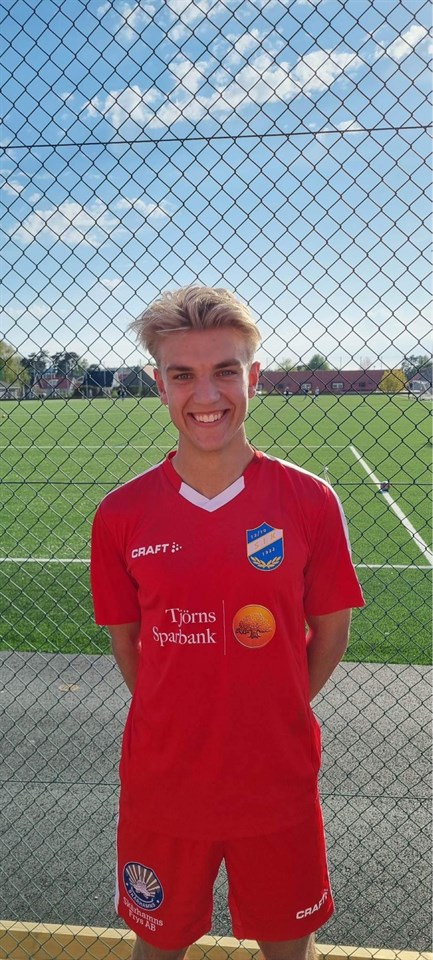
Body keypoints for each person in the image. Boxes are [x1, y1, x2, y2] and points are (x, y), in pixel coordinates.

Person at [90, 286, 364, 960]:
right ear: (159, 384)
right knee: (158, 947)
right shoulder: (121, 515)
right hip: (164, 785)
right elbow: (127, 642)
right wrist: (176, 715)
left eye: (224, 371)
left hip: (274, 780)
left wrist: (274, 704)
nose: (205, 394)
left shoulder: (309, 500)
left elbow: (331, 632)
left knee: (287, 947)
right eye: (182, 374)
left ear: (254, 378)